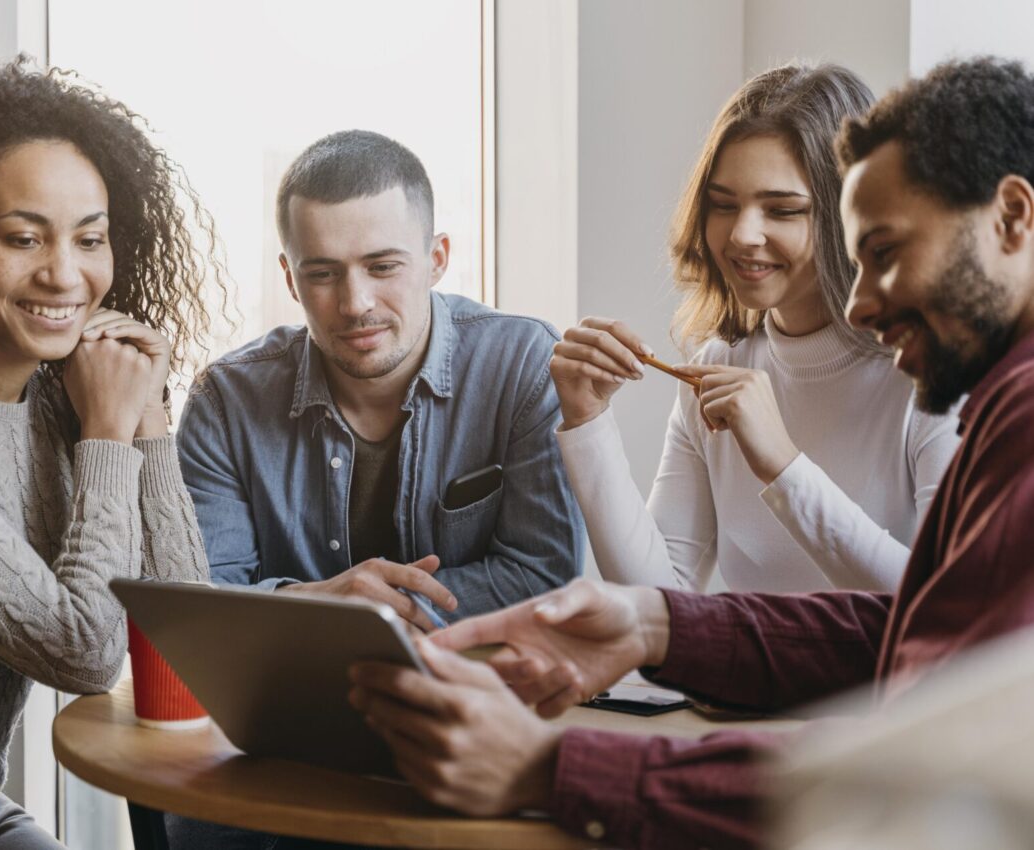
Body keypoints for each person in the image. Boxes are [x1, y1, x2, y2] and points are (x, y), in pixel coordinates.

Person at [348, 57, 1034, 849]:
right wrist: (655, 624)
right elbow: (907, 629)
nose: (863, 299)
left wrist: (556, 767)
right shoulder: (985, 395)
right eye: (725, 204)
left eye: (882, 251)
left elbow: (928, 749)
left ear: (1013, 218)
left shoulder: (999, 405)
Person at [0, 54, 226, 846]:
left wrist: (145, 416)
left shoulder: (59, 395)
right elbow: (81, 653)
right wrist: (106, 434)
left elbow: (188, 629)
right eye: (22, 237)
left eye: (90, 239)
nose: (65, 274)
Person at [551, 64, 961, 593]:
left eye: (782, 210)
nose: (742, 234)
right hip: (751, 678)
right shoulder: (715, 369)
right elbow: (659, 598)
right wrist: (588, 423)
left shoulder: (935, 378)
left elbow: (942, 609)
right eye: (723, 205)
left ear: (852, 217)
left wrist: (784, 465)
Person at [177, 129, 585, 627]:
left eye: (383, 266)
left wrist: (362, 608)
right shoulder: (225, 401)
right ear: (289, 278)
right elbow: (205, 598)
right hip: (285, 695)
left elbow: (545, 578)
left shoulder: (524, 364)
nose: (355, 304)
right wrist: (327, 600)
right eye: (323, 274)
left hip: (481, 690)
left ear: (437, 259)